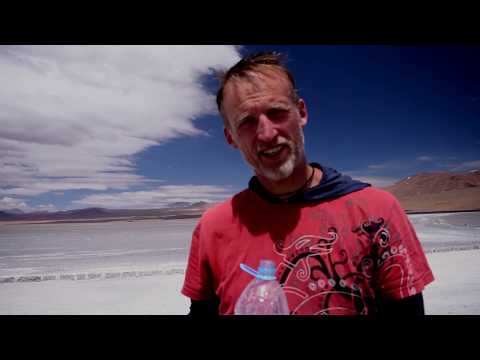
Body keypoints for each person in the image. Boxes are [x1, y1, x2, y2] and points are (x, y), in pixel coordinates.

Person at [181, 51, 434, 315]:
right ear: (230, 137)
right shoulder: (213, 228)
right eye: (247, 121)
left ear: (301, 112)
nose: (266, 134)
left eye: (277, 112)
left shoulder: (377, 212)